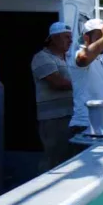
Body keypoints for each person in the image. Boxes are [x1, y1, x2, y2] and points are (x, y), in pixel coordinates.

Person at [31, 22, 75, 169]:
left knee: (66, 158)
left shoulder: (67, 59)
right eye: (66, 37)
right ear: (54, 38)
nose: (71, 41)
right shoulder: (41, 58)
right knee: (53, 158)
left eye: (71, 37)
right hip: (53, 119)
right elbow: (58, 83)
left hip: (69, 116)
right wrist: (84, 85)